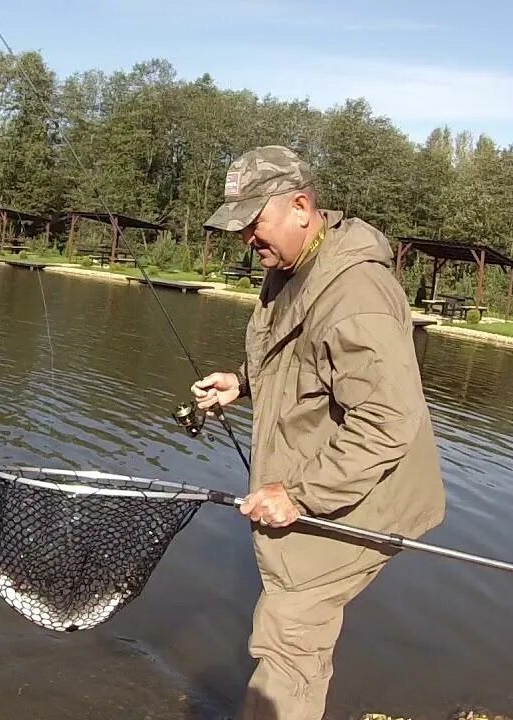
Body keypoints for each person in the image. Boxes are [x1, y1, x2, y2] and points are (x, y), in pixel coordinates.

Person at [192, 146, 446, 720]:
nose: (247, 241)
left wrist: (299, 496)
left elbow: (387, 421)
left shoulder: (356, 296)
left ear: (301, 206)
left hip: (357, 502)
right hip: (327, 490)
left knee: (288, 643)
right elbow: (308, 365)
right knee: (289, 631)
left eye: (254, 224)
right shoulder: (293, 265)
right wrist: (242, 381)